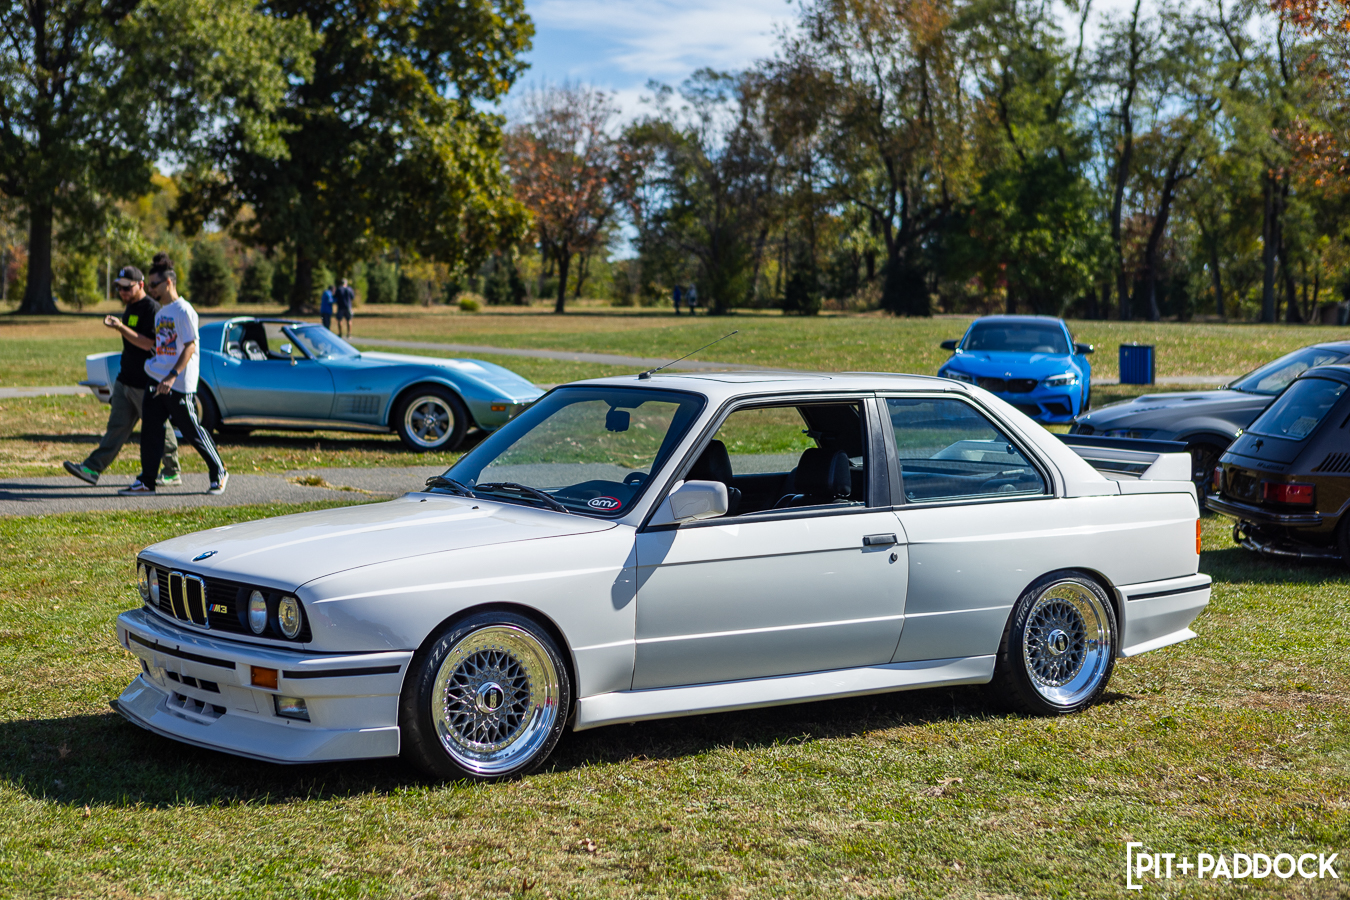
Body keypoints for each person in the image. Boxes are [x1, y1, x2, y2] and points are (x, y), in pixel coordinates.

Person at [118, 254, 228, 496]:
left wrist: (172, 375)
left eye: (154, 285)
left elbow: (190, 346)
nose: (151, 289)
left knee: (192, 430)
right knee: (151, 430)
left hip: (177, 382)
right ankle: (147, 481)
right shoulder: (161, 313)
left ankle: (219, 471)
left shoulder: (184, 310)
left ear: (168, 283)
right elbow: (162, 347)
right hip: (157, 379)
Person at [63, 266, 181, 486]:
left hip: (145, 382)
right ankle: (92, 469)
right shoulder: (131, 307)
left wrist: (120, 327)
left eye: (127, 287)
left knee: (157, 428)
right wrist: (121, 326)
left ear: (141, 285)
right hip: (125, 379)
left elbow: (149, 343)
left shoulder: (152, 309)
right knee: (116, 428)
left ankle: (172, 470)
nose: (122, 292)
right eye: (119, 287)